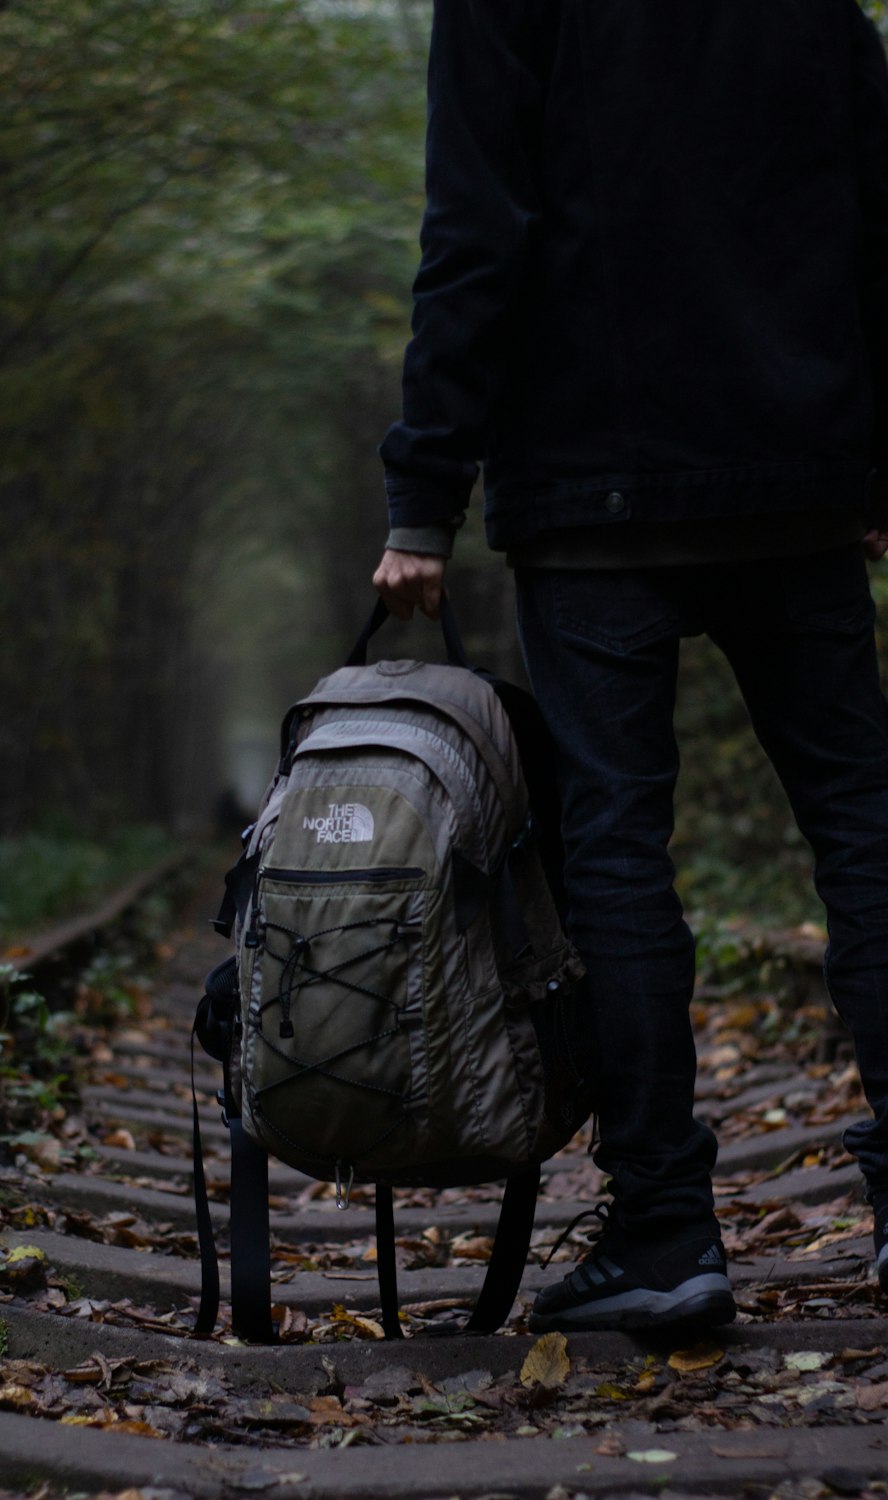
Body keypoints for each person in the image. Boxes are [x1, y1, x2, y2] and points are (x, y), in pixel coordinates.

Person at [373, 0, 888, 1333]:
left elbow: (477, 229)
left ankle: (665, 1232)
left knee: (614, 842)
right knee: (862, 826)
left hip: (596, 490)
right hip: (800, 476)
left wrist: (423, 491)